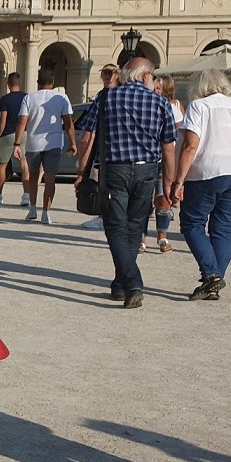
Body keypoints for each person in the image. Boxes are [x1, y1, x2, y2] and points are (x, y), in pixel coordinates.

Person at [74, 58, 177, 309]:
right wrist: (169, 184)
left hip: (115, 170)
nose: (154, 80)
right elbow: (168, 148)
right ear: (144, 77)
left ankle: (131, 283)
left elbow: (87, 137)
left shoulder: (106, 97)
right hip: (147, 170)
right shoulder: (160, 102)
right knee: (134, 226)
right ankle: (122, 284)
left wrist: (81, 172)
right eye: (153, 76)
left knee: (115, 227)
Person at [169, 69, 231, 301]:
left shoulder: (199, 106)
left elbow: (190, 145)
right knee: (224, 229)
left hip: (206, 172)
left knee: (192, 223)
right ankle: (213, 281)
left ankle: (211, 274)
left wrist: (179, 180)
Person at [13, 69, 76, 225]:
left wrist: (17, 143)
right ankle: (46, 213)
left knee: (33, 176)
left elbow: (22, 122)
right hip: (53, 143)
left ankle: (33, 208)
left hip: (33, 143)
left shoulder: (29, 98)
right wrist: (72, 142)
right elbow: (68, 123)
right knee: (50, 178)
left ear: (38, 83)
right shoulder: (61, 97)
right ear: (52, 83)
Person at [141, 76, 181, 254]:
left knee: (163, 198)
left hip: (165, 159)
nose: (157, 91)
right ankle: (141, 238)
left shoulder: (172, 107)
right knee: (143, 200)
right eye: (155, 88)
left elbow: (180, 133)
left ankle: (162, 236)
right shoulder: (144, 104)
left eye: (159, 89)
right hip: (147, 157)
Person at [80, 64, 121, 230]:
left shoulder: (103, 97)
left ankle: (104, 217)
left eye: (110, 72)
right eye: (104, 72)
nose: (106, 75)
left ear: (117, 75)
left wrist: (82, 166)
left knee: (104, 187)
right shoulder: (124, 95)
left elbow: (88, 132)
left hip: (106, 152)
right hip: (126, 153)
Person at [0, 72, 30, 206]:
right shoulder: (27, 97)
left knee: (2, 164)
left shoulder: (5, 99)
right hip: (23, 133)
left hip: (8, 133)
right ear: (19, 83)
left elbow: (3, 120)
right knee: (24, 163)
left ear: (8, 84)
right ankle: (26, 196)